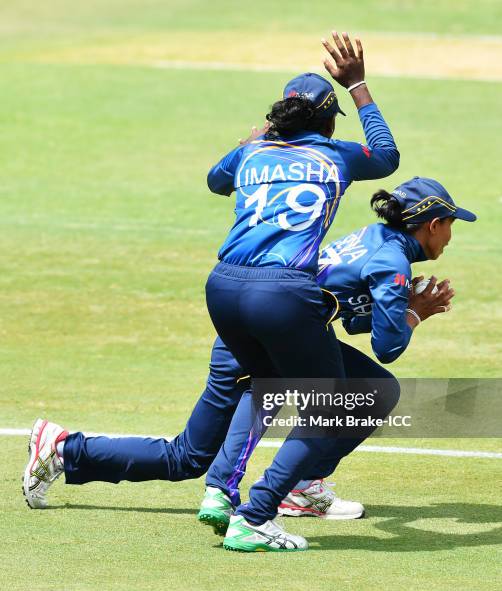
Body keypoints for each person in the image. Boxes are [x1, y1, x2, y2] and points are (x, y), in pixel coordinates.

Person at [24, 33, 401, 552]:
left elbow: (214, 179)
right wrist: (358, 84)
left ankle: (80, 454)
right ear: (330, 122)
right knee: (333, 408)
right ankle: (261, 510)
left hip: (224, 289)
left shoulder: (251, 155)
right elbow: (386, 155)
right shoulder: (336, 155)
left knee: (231, 414)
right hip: (283, 294)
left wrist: (259, 138)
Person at [22, 178, 475, 541]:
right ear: (432, 224)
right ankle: (262, 498)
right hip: (275, 336)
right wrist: (415, 311)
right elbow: (388, 346)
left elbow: (354, 321)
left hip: (255, 325)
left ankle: (63, 448)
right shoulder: (391, 260)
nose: (452, 237)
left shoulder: (373, 238)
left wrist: (398, 306)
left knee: (188, 455)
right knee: (332, 401)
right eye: (451, 224)